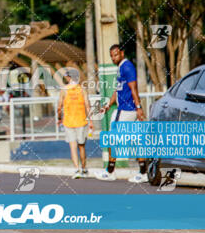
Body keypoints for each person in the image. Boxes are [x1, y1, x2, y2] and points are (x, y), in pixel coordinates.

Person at [95, 44, 147, 182]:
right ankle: (144, 172)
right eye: (111, 55)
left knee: (112, 138)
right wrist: (107, 105)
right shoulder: (120, 68)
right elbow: (118, 91)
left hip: (126, 110)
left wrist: (138, 107)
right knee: (136, 141)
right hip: (127, 109)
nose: (113, 57)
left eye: (116, 54)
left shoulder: (127, 66)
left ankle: (110, 172)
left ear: (122, 53)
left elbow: (133, 88)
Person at [57, 69, 93, 179]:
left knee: (73, 147)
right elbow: (88, 106)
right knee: (81, 146)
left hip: (68, 122)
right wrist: (90, 121)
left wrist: (59, 118)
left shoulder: (64, 90)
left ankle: (77, 169)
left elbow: (59, 107)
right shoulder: (82, 89)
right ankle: (84, 168)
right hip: (81, 121)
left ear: (69, 78)